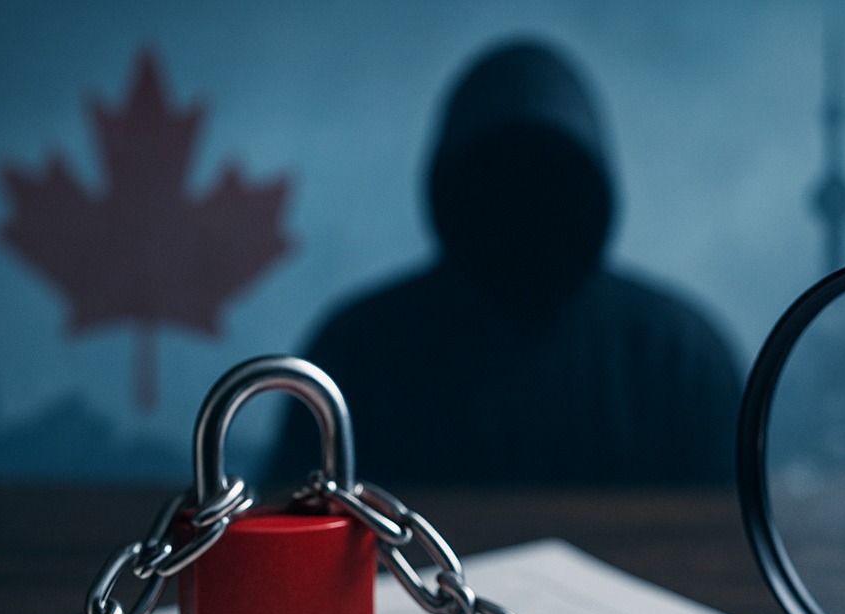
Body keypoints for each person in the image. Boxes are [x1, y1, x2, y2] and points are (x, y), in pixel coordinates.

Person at [267, 39, 742, 490]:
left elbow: (728, 537)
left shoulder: (682, 362)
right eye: (498, 181)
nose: (524, 205)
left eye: (548, 180)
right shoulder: (354, 356)